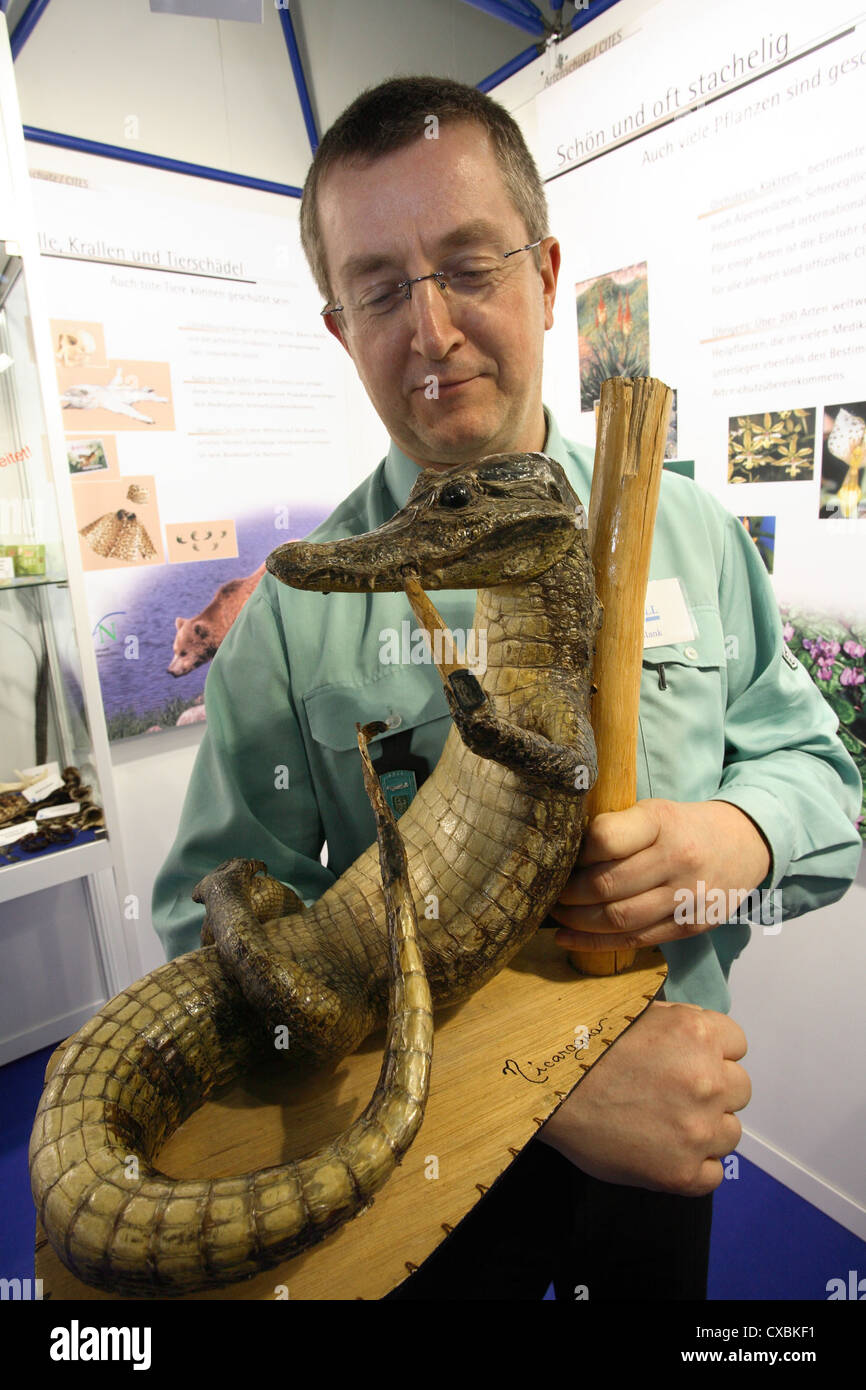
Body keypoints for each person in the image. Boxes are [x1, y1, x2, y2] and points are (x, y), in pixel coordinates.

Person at [152, 76, 862, 1300]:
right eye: (377, 287)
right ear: (339, 326)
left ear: (543, 273)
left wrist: (734, 839)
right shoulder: (286, 619)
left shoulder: (687, 529)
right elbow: (210, 951)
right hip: (417, 1176)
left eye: (468, 265)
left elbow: (819, 776)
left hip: (670, 1134)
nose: (427, 332)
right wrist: (528, 1086)